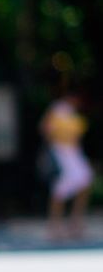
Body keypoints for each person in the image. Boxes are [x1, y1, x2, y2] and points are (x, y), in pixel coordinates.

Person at [38, 90, 95, 241]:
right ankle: (56, 225)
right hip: (62, 154)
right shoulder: (58, 109)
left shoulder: (72, 113)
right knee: (60, 190)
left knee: (84, 182)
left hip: (73, 154)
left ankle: (74, 222)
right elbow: (46, 129)